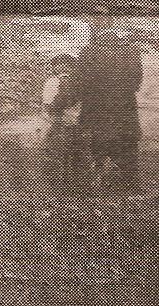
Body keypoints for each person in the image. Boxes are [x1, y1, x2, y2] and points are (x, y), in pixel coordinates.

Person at [68, 25, 144, 195]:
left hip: (96, 115)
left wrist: (62, 104)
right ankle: (130, 190)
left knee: (97, 150)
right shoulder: (131, 52)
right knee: (127, 153)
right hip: (125, 116)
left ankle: (95, 190)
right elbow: (136, 82)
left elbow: (78, 85)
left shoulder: (89, 53)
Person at [41, 52, 92, 198]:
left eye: (64, 68)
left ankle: (62, 189)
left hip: (62, 123)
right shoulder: (81, 81)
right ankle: (77, 188)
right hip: (76, 123)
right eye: (59, 68)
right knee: (77, 155)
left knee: (60, 154)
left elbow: (51, 104)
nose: (62, 71)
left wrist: (50, 114)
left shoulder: (57, 82)